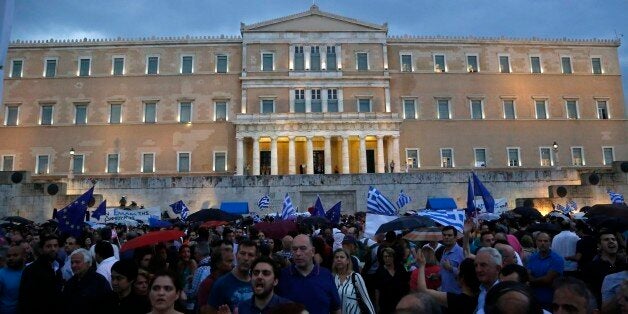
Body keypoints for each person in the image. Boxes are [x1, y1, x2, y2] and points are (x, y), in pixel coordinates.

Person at [276, 234, 341, 314]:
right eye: (294, 249)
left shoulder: (325, 275)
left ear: (313, 251)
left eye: (303, 248)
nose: (298, 253)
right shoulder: (283, 275)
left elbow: (336, 308)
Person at [414, 250, 479, 314]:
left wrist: (421, 265)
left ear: (462, 278)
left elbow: (423, 291)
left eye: (458, 270)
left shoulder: (456, 301)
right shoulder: (480, 296)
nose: (456, 275)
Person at [226, 256, 293, 314]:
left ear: (275, 281)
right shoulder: (242, 308)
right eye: (256, 273)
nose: (259, 276)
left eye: (266, 273)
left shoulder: (288, 308)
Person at [207, 240, 257, 313]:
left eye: (250, 255)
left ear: (255, 258)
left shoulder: (257, 283)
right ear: (236, 255)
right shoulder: (221, 284)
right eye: (242, 253)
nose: (246, 258)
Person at [18, 234, 64, 314]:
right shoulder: (32, 269)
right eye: (49, 246)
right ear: (42, 249)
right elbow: (26, 299)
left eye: (55, 246)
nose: (53, 249)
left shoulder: (58, 265)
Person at [61, 248, 114, 314]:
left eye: (77, 262)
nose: (73, 265)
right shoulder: (70, 283)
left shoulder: (99, 281)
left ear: (88, 263)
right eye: (72, 262)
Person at [582, 230, 626, 307]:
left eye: (613, 239)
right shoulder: (591, 267)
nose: (611, 241)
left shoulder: (624, 265)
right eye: (606, 239)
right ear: (599, 245)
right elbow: (589, 293)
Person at [527, 232, 564, 311]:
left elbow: (547, 280)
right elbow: (527, 274)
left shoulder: (557, 259)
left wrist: (532, 280)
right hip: (534, 299)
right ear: (536, 242)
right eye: (540, 241)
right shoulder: (532, 257)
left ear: (550, 243)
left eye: (545, 241)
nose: (542, 243)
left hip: (550, 302)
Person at [332, 249, 375, 314]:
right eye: (336, 257)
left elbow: (366, 299)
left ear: (348, 261)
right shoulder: (332, 278)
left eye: (342, 257)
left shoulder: (355, 277)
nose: (339, 259)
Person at [374, 246, 410, 314]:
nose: (387, 258)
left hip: (399, 302)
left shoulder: (400, 268)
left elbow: (406, 284)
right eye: (385, 256)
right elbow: (377, 289)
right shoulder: (380, 271)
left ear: (393, 257)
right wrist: (377, 305)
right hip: (385, 304)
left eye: (389, 256)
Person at [198, 248, 234, 314]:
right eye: (229, 261)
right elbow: (203, 310)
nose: (233, 265)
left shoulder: (231, 281)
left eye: (232, 261)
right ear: (218, 264)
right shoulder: (207, 284)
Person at [475, 247, 503, 314]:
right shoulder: (482, 290)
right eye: (476, 265)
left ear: (498, 269)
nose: (478, 270)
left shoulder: (504, 296)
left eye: (483, 265)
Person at [0, 246, 25, 314]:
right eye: (8, 256)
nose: (11, 258)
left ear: (23, 256)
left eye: (15, 255)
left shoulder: (29, 271)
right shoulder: (1, 274)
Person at [440, 226, 465, 293]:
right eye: (444, 235)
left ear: (456, 237)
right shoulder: (444, 251)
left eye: (449, 235)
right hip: (444, 293)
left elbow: (465, 275)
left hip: (456, 295)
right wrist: (437, 275)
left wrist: (450, 268)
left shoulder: (461, 252)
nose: (446, 237)